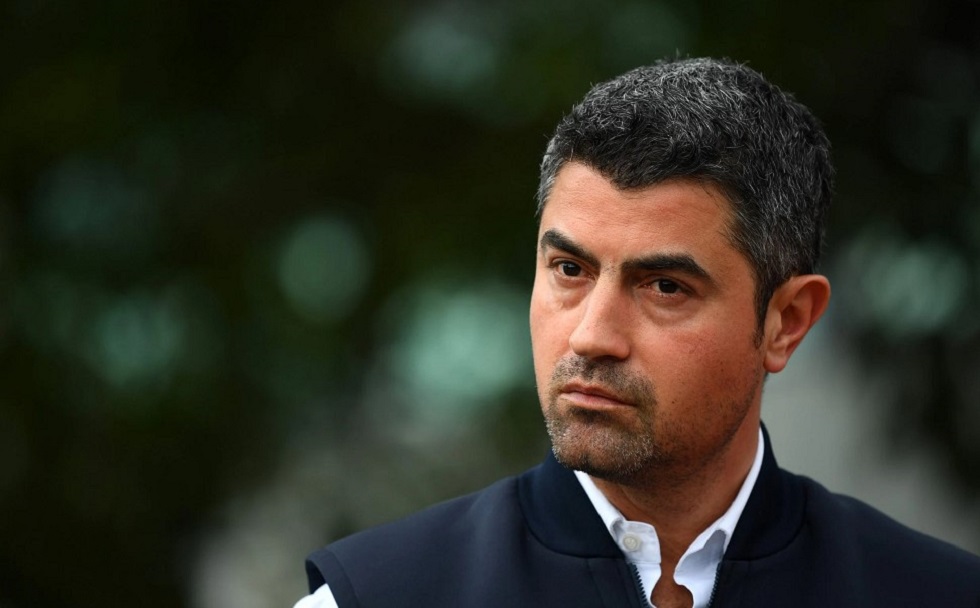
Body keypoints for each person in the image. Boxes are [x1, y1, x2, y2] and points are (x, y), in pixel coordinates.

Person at [293, 57, 980, 608]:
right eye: (569, 269)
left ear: (786, 321)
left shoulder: (933, 595)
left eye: (665, 287)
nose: (591, 337)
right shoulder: (375, 596)